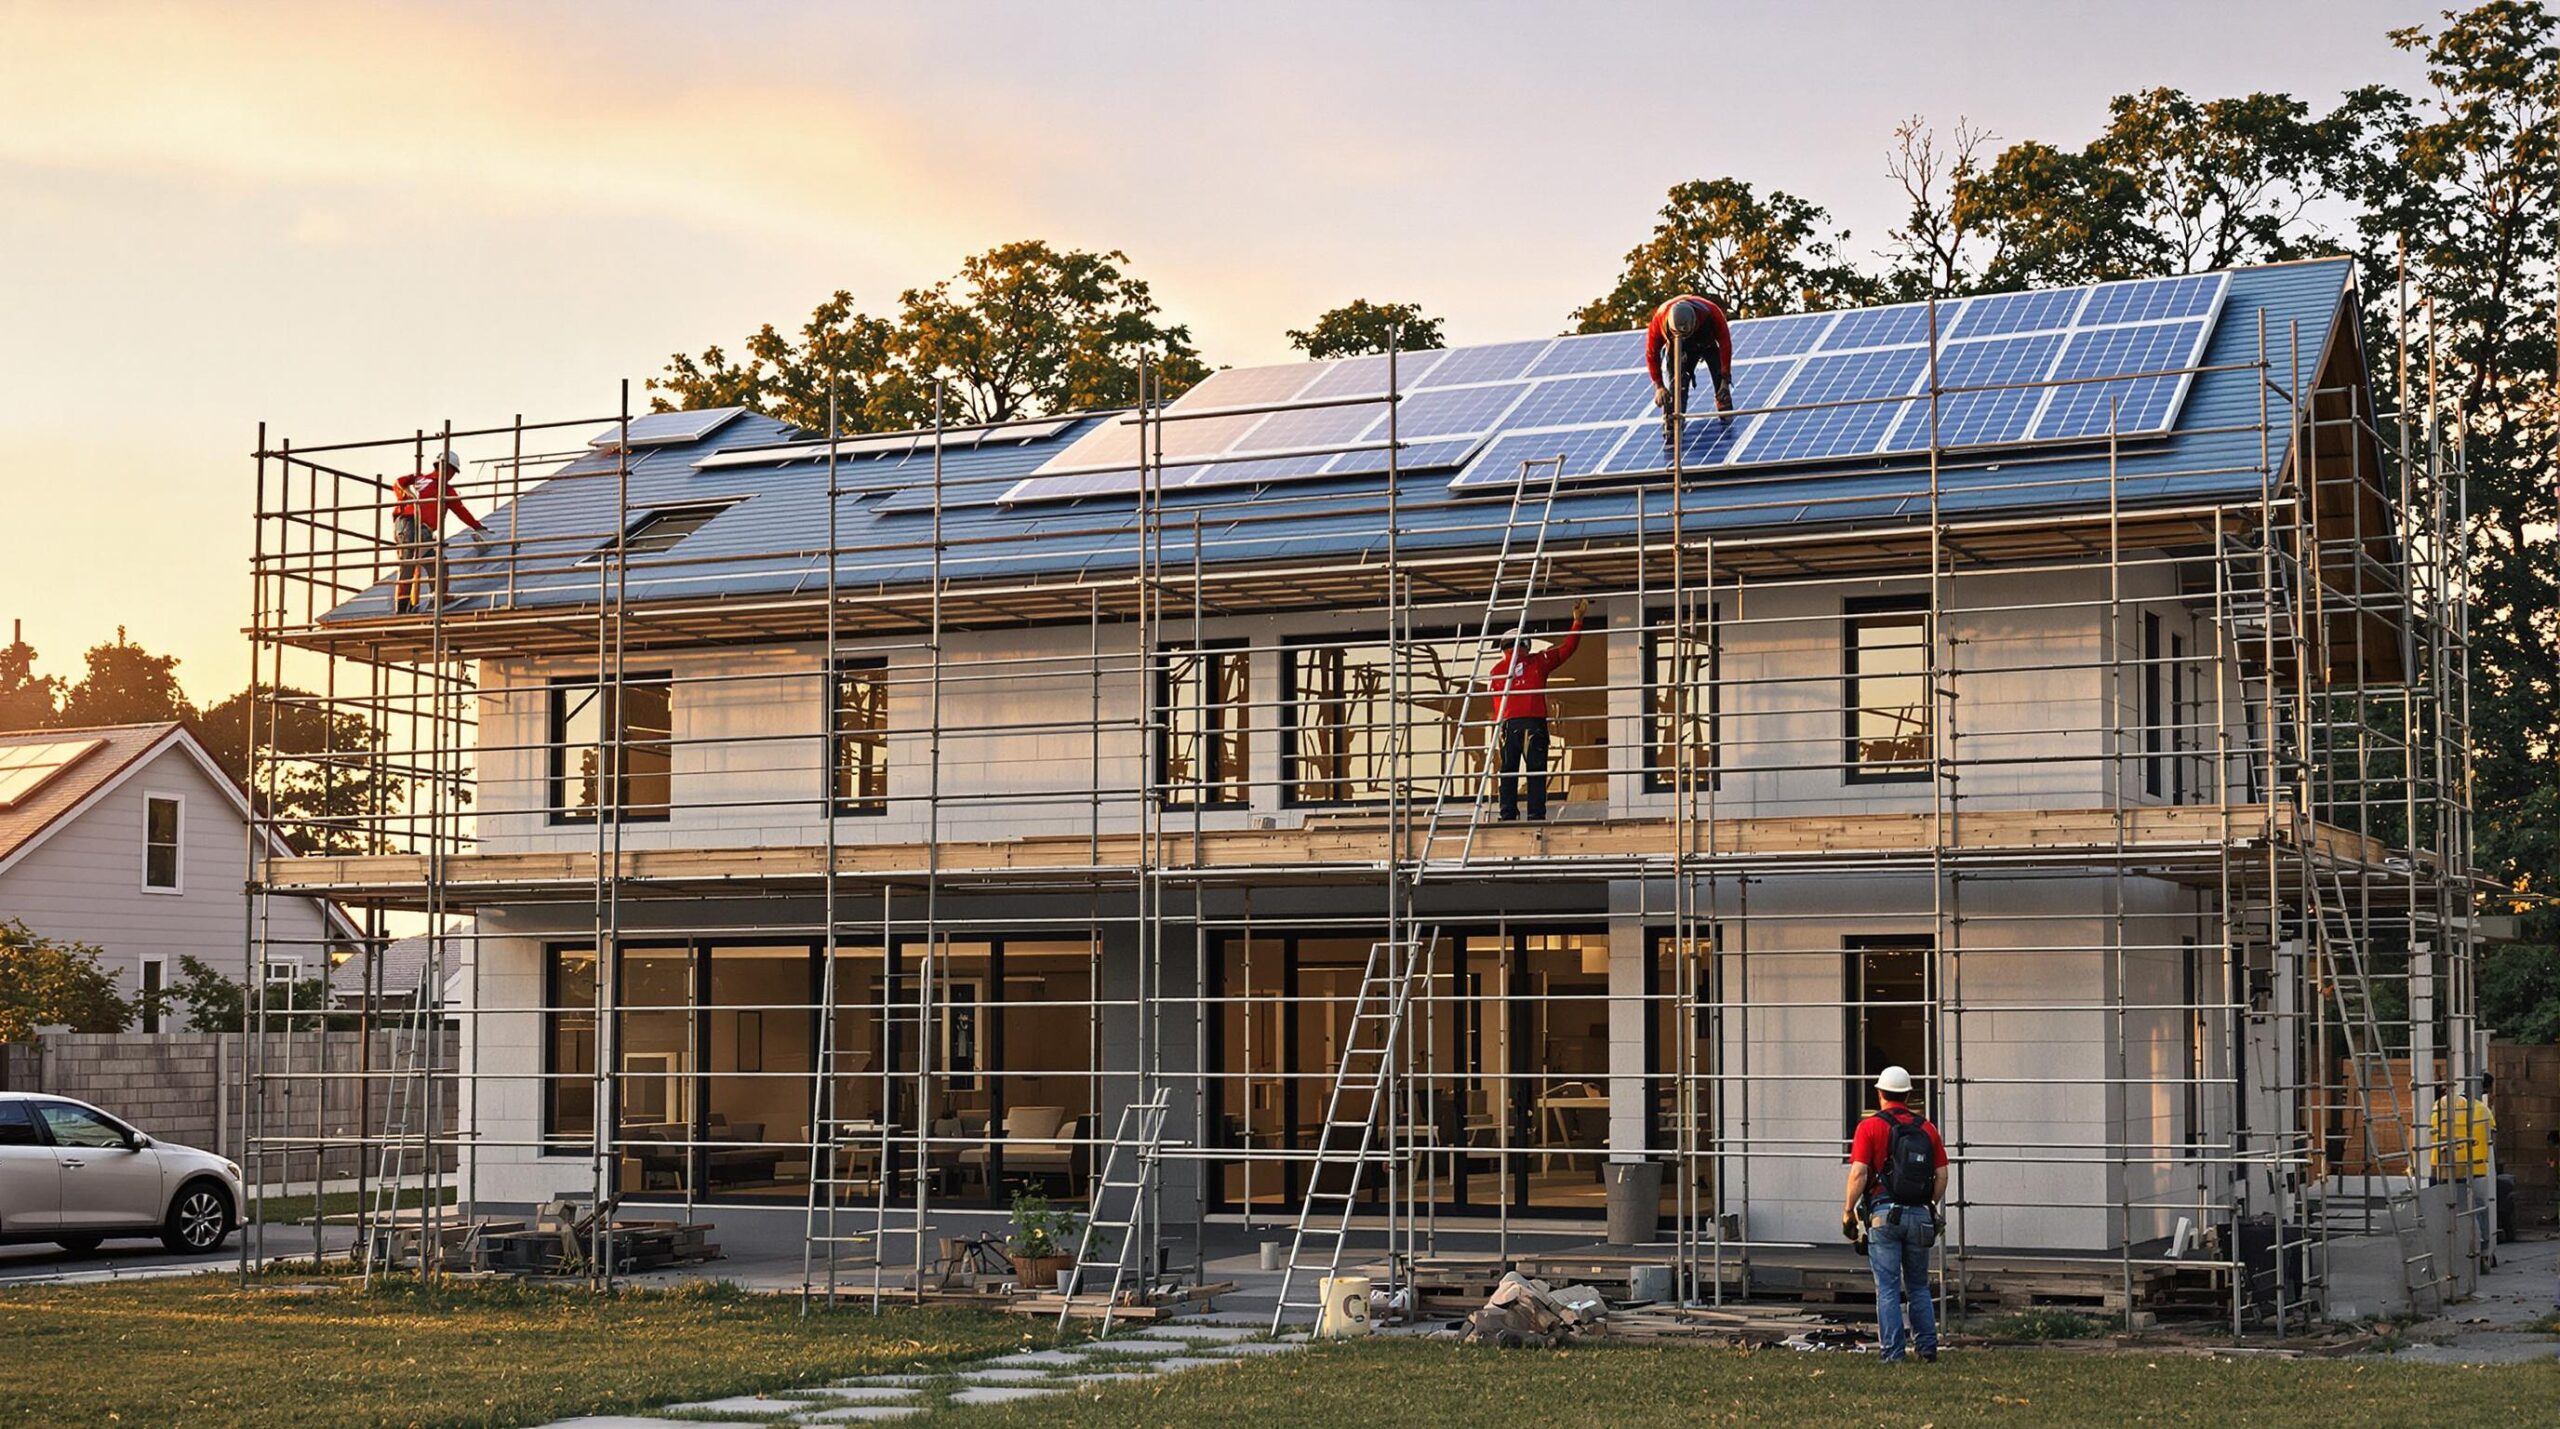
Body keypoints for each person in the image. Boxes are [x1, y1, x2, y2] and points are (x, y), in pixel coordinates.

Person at [1843, 1065, 1949, 1364]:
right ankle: (1927, 1348)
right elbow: (1942, 1176)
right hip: (1919, 1216)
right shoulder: (1927, 1129)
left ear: (1880, 1093)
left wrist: (1848, 1210)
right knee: (1918, 1285)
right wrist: (1927, 1203)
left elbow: (1859, 1173)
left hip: (1883, 1215)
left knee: (1887, 1288)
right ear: (1908, 1094)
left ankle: (1893, 1352)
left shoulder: (1869, 1127)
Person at [1488, 600, 1587, 822]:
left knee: (1508, 771)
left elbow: (1496, 705)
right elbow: (1568, 648)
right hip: (1533, 724)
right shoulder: (1539, 661)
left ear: (1504, 647)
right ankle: (1535, 815)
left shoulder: (1496, 671)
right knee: (1536, 771)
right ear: (1526, 644)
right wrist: (1577, 622)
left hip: (1507, 726)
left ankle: (1507, 814)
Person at [393, 450, 488, 613]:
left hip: (423, 531)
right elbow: (398, 483)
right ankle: (402, 606)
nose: (450, 475)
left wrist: (477, 526)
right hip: (409, 523)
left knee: (437, 562)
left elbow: (460, 509)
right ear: (445, 467)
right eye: (451, 471)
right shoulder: (421, 479)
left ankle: (439, 597)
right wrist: (407, 494)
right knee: (409, 562)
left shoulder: (445, 490)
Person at [1645, 294, 1736, 444]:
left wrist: (1725, 379)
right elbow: (1651, 353)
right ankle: (1673, 425)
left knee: (1719, 378)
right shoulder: (1660, 321)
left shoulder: (1712, 313)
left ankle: (1725, 413)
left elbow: (1725, 344)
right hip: (1677, 349)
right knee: (1676, 385)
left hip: (1707, 343)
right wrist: (1659, 386)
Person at [2428, 1073, 2497, 1270]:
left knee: (2443, 1211)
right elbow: (2491, 1136)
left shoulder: (2438, 1106)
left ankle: (2444, 1251)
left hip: (2441, 1168)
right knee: (2478, 1209)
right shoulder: (2482, 1109)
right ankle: (2482, 1252)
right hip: (2474, 1168)